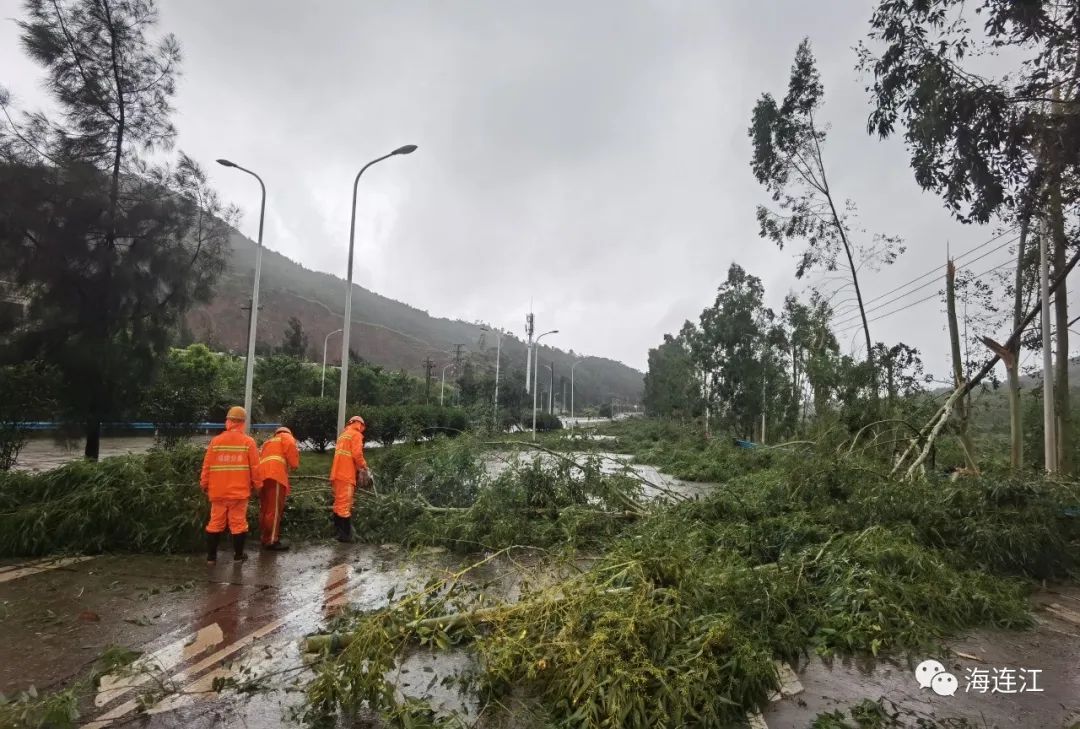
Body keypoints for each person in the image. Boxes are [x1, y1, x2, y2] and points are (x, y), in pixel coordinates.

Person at [199, 406, 261, 565]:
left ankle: (211, 558)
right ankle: (238, 556)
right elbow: (255, 468)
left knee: (215, 523)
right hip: (238, 494)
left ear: (228, 421)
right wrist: (258, 486)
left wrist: (204, 484)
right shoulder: (248, 442)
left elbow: (207, 466)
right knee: (238, 523)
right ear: (242, 422)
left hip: (218, 491)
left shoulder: (216, 441)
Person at [329, 414, 371, 543]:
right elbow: (357, 454)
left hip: (336, 474)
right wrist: (364, 467)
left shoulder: (343, 435)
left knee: (338, 503)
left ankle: (337, 532)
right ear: (361, 425)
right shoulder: (356, 435)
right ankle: (345, 536)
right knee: (345, 505)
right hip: (346, 475)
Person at [258, 425, 300, 551]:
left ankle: (265, 538)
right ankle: (272, 540)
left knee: (265, 509)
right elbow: (292, 451)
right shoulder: (286, 437)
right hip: (275, 475)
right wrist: (294, 465)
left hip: (262, 477)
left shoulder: (268, 442)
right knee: (274, 510)